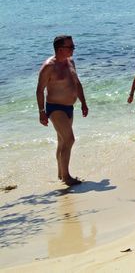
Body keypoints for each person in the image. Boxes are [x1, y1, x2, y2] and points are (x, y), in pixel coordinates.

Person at [36, 35, 88, 186]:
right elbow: (39, 90)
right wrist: (41, 112)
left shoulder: (70, 61)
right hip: (55, 108)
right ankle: (67, 177)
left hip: (69, 107)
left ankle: (61, 173)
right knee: (69, 139)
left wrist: (83, 103)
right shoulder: (49, 66)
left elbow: (77, 83)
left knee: (62, 142)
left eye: (73, 46)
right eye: (70, 47)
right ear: (60, 49)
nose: (73, 49)